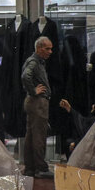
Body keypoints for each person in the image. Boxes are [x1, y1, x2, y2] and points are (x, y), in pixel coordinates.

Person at [21, 36, 53, 178]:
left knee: (31, 136)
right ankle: (40, 168)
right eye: (47, 48)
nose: (50, 51)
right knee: (39, 135)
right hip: (38, 102)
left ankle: (30, 168)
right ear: (39, 48)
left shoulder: (37, 62)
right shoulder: (34, 62)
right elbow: (25, 76)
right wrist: (34, 91)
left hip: (33, 102)